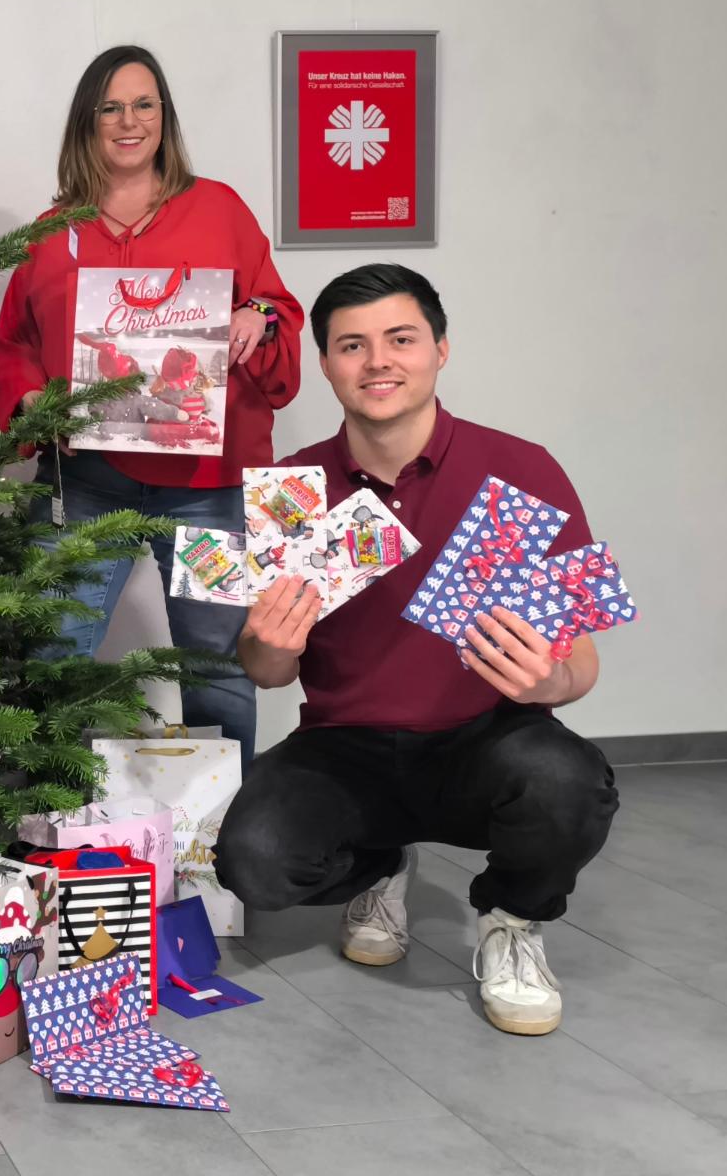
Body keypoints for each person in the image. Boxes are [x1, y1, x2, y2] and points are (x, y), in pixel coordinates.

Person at [215, 264, 619, 1035]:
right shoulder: (292, 488)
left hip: (487, 739)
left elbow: (583, 662)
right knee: (254, 863)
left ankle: (512, 921)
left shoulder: (523, 469)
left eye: (400, 340)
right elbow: (268, 674)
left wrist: (548, 681)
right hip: (345, 746)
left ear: (440, 349)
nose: (378, 362)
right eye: (352, 346)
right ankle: (380, 865)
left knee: (567, 784)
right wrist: (266, 645)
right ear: (326, 363)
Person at [0, 45, 302, 754]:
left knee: (215, 664)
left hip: (206, 485)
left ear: (165, 117)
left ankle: (226, 818)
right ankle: (51, 807)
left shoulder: (219, 209)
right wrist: (32, 399)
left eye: (144, 105)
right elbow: (16, 339)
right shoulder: (53, 231)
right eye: (110, 107)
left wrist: (257, 314)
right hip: (86, 480)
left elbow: (276, 307)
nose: (128, 122)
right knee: (51, 653)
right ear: (87, 121)